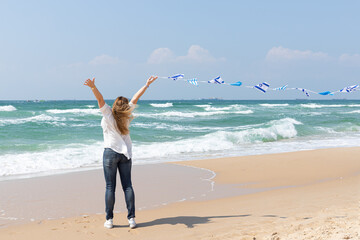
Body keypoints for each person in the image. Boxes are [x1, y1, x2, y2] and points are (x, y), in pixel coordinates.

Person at [84, 76, 158, 229]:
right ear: (125, 107)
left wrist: (93, 87)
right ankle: (131, 219)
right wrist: (147, 85)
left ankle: (109, 220)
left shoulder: (109, 114)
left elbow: (100, 99)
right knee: (128, 186)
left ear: (115, 106)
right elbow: (136, 97)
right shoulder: (127, 115)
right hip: (125, 155)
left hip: (110, 153)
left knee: (110, 187)